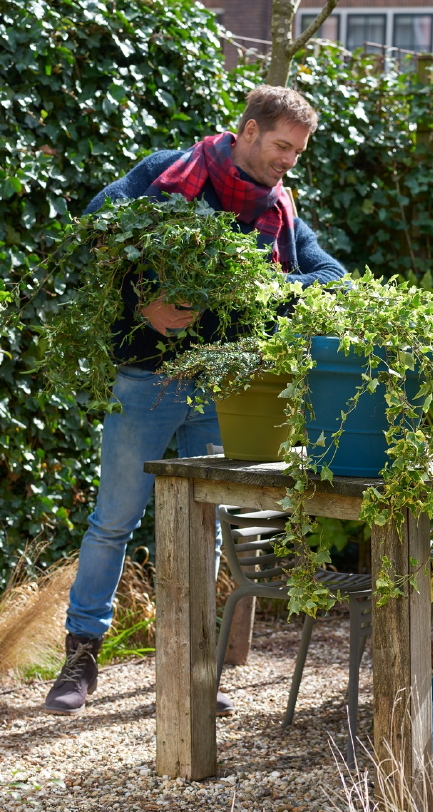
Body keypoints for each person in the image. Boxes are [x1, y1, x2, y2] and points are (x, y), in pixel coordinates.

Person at [44, 85, 346, 716]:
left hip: (224, 390)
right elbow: (96, 226)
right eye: (282, 147)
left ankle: (190, 666)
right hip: (147, 379)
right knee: (113, 522)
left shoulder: (278, 208)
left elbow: (331, 276)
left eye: (299, 152)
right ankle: (81, 659)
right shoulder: (166, 176)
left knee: (203, 531)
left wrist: (263, 285)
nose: (289, 161)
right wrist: (142, 300)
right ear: (249, 131)